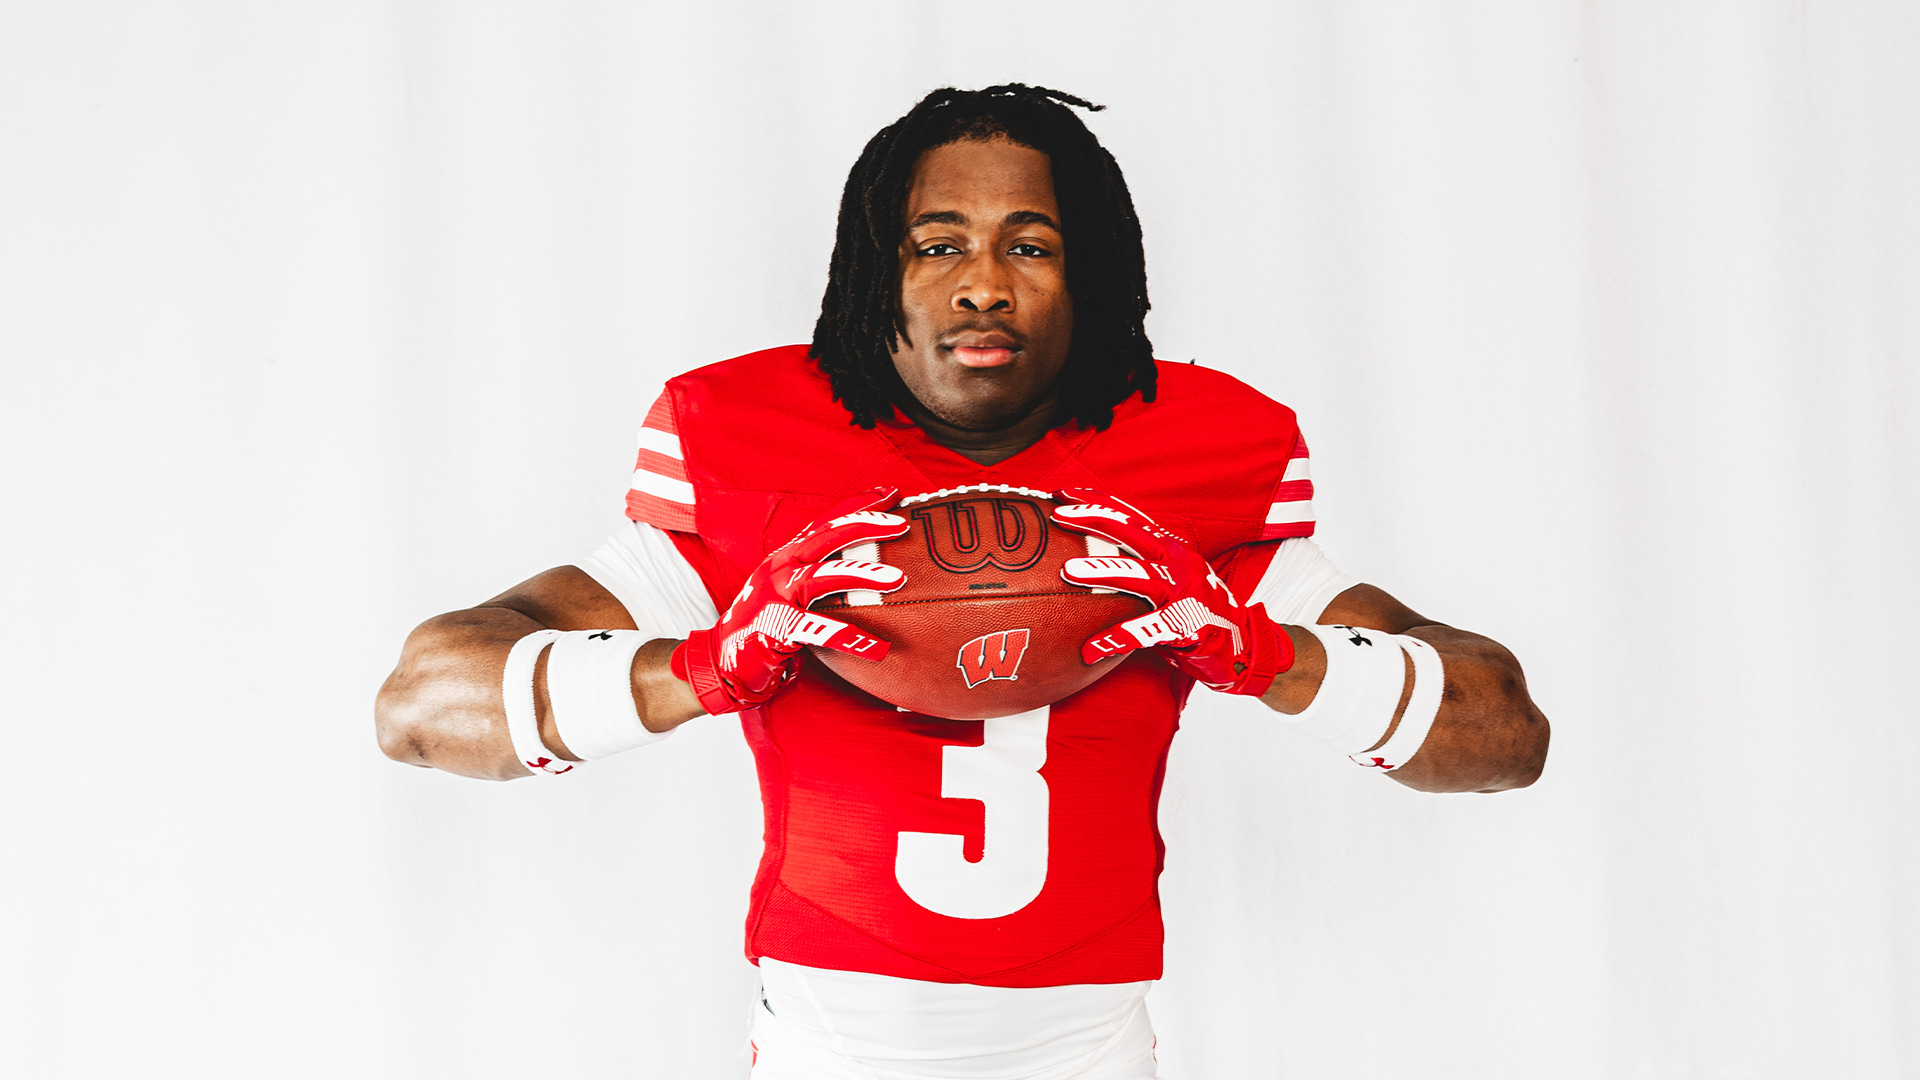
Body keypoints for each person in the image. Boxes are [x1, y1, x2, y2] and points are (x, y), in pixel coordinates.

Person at [376, 84, 1549, 1080]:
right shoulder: (748, 444)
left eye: (1030, 246)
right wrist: (704, 665)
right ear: (872, 273)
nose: (983, 284)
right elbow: (422, 706)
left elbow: (1502, 733)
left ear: (1092, 277)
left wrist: (1264, 652)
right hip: (823, 1052)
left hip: (1091, 1053)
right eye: (938, 244)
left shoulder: (1194, 464)